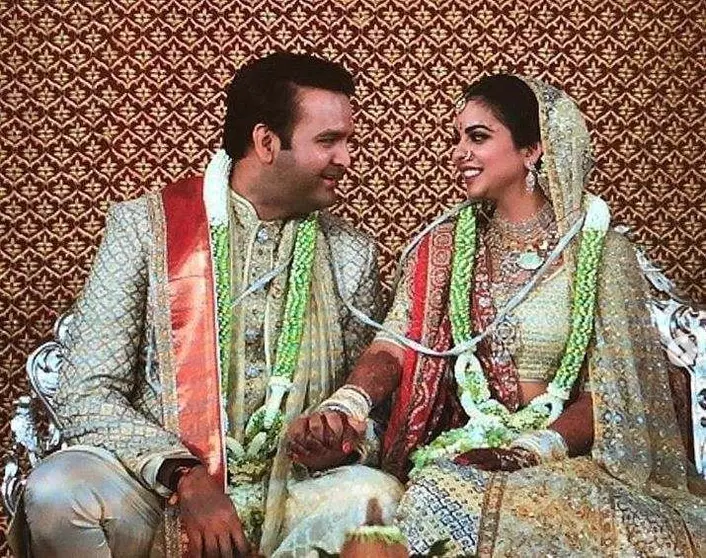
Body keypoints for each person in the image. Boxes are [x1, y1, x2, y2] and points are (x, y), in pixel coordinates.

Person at [287, 74, 706, 555]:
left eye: (478, 137)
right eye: (457, 138)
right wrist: (349, 404)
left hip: (570, 459)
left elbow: (615, 389)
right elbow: (397, 341)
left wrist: (532, 449)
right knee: (429, 494)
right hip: (466, 457)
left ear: (532, 150)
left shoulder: (601, 252)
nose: (459, 153)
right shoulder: (443, 247)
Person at [10, 52, 401, 558]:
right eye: (329, 141)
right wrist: (184, 474)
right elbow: (87, 393)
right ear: (265, 142)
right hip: (156, 489)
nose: (347, 158)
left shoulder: (351, 254)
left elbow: (377, 413)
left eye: (347, 140)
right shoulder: (145, 229)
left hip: (293, 490)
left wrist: (340, 440)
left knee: (376, 498)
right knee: (60, 492)